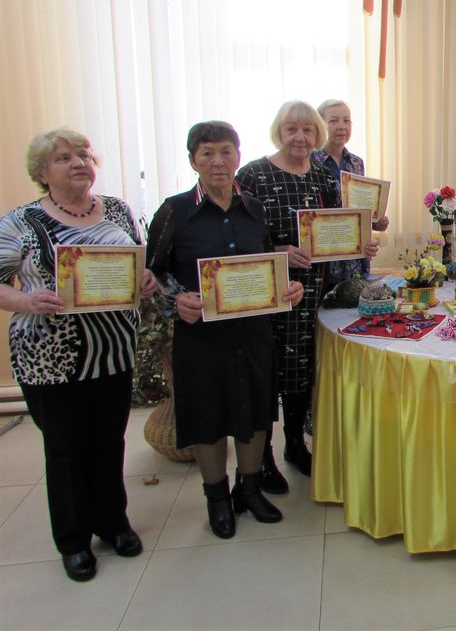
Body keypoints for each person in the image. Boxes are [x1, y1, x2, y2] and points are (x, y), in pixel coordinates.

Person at [0, 129, 157, 582]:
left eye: (84, 155)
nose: (78, 163)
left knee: (109, 441)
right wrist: (26, 301)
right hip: (49, 355)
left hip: (112, 351)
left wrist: (145, 279)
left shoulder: (117, 210)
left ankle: (113, 524)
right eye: (64, 157)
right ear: (42, 171)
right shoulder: (21, 222)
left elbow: (136, 265)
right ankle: (73, 541)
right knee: (66, 449)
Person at [146, 121, 304, 538]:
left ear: (238, 156)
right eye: (207, 153)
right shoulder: (175, 211)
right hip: (201, 336)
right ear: (193, 160)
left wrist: (289, 286)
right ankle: (216, 498)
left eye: (226, 151)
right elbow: (154, 272)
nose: (218, 161)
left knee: (256, 410)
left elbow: (267, 261)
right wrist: (176, 299)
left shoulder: (254, 208)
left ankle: (248, 490)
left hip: (253, 331)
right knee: (208, 415)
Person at [237, 101, 379, 488]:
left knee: (300, 370)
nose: (300, 137)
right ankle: (261, 458)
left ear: (317, 134)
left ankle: (295, 445)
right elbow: (237, 237)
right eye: (291, 129)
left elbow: (338, 226)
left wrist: (361, 243)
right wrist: (279, 251)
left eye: (307, 129)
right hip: (267, 292)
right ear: (278, 132)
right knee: (266, 373)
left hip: (313, 290)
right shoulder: (253, 175)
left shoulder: (321, 175)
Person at [311, 99, 389, 282]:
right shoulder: (309, 162)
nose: (341, 126)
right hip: (325, 259)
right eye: (333, 121)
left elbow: (357, 208)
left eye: (346, 120)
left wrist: (375, 221)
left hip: (356, 259)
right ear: (319, 125)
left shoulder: (356, 163)